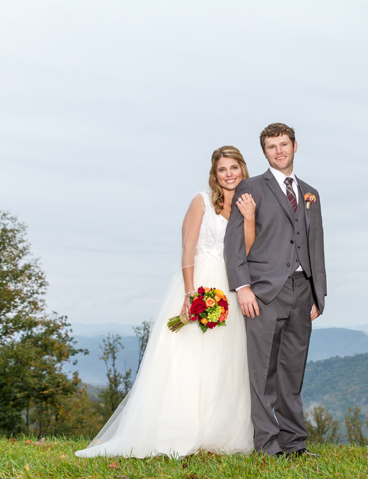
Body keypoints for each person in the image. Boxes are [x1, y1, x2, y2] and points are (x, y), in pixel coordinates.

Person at [76, 146, 256, 458]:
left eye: (234, 168)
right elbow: (188, 248)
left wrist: (250, 217)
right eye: (222, 169)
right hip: (199, 281)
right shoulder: (200, 201)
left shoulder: (247, 203)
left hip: (231, 285)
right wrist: (190, 295)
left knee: (225, 359)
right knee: (186, 356)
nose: (229, 174)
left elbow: (249, 251)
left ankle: (219, 433)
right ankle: (178, 429)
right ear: (214, 174)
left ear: (243, 169)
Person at [224, 123, 327, 457]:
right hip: (264, 293)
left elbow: (316, 245)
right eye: (271, 146)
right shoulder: (250, 188)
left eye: (284, 144)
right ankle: (268, 446)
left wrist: (317, 293)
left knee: (292, 373)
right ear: (264, 152)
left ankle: (295, 444)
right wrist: (242, 287)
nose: (278, 151)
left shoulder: (311, 193)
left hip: (302, 292)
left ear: (296, 146)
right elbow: (234, 244)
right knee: (262, 373)